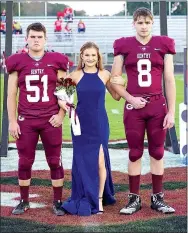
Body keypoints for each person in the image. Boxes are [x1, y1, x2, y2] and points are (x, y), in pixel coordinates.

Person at [110, 7, 176, 215]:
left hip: (157, 104)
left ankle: (157, 198)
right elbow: (114, 80)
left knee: (157, 152)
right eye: (140, 22)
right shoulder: (124, 45)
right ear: (133, 23)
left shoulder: (164, 44)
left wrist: (171, 111)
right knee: (135, 152)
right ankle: (134, 199)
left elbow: (169, 79)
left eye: (147, 22)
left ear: (152, 23)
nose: (144, 26)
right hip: (134, 106)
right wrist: (130, 97)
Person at [6, 22, 70, 216]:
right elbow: (11, 95)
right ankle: (24, 201)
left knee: (54, 161)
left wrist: (61, 115)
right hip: (26, 120)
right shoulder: (17, 61)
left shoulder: (57, 60)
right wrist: (12, 121)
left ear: (45, 39)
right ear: (26, 39)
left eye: (39, 37)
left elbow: (66, 91)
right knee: (24, 161)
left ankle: (57, 201)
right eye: (32, 36)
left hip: (50, 119)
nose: (36, 40)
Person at [58, 42, 119, 216]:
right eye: (87, 55)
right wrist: (70, 109)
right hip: (80, 123)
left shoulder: (105, 74)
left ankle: (99, 199)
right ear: (81, 57)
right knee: (83, 161)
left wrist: (121, 82)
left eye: (93, 55)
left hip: (100, 123)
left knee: (100, 160)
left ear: (98, 57)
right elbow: (61, 98)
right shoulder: (74, 75)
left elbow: (115, 96)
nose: (90, 58)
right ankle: (85, 194)